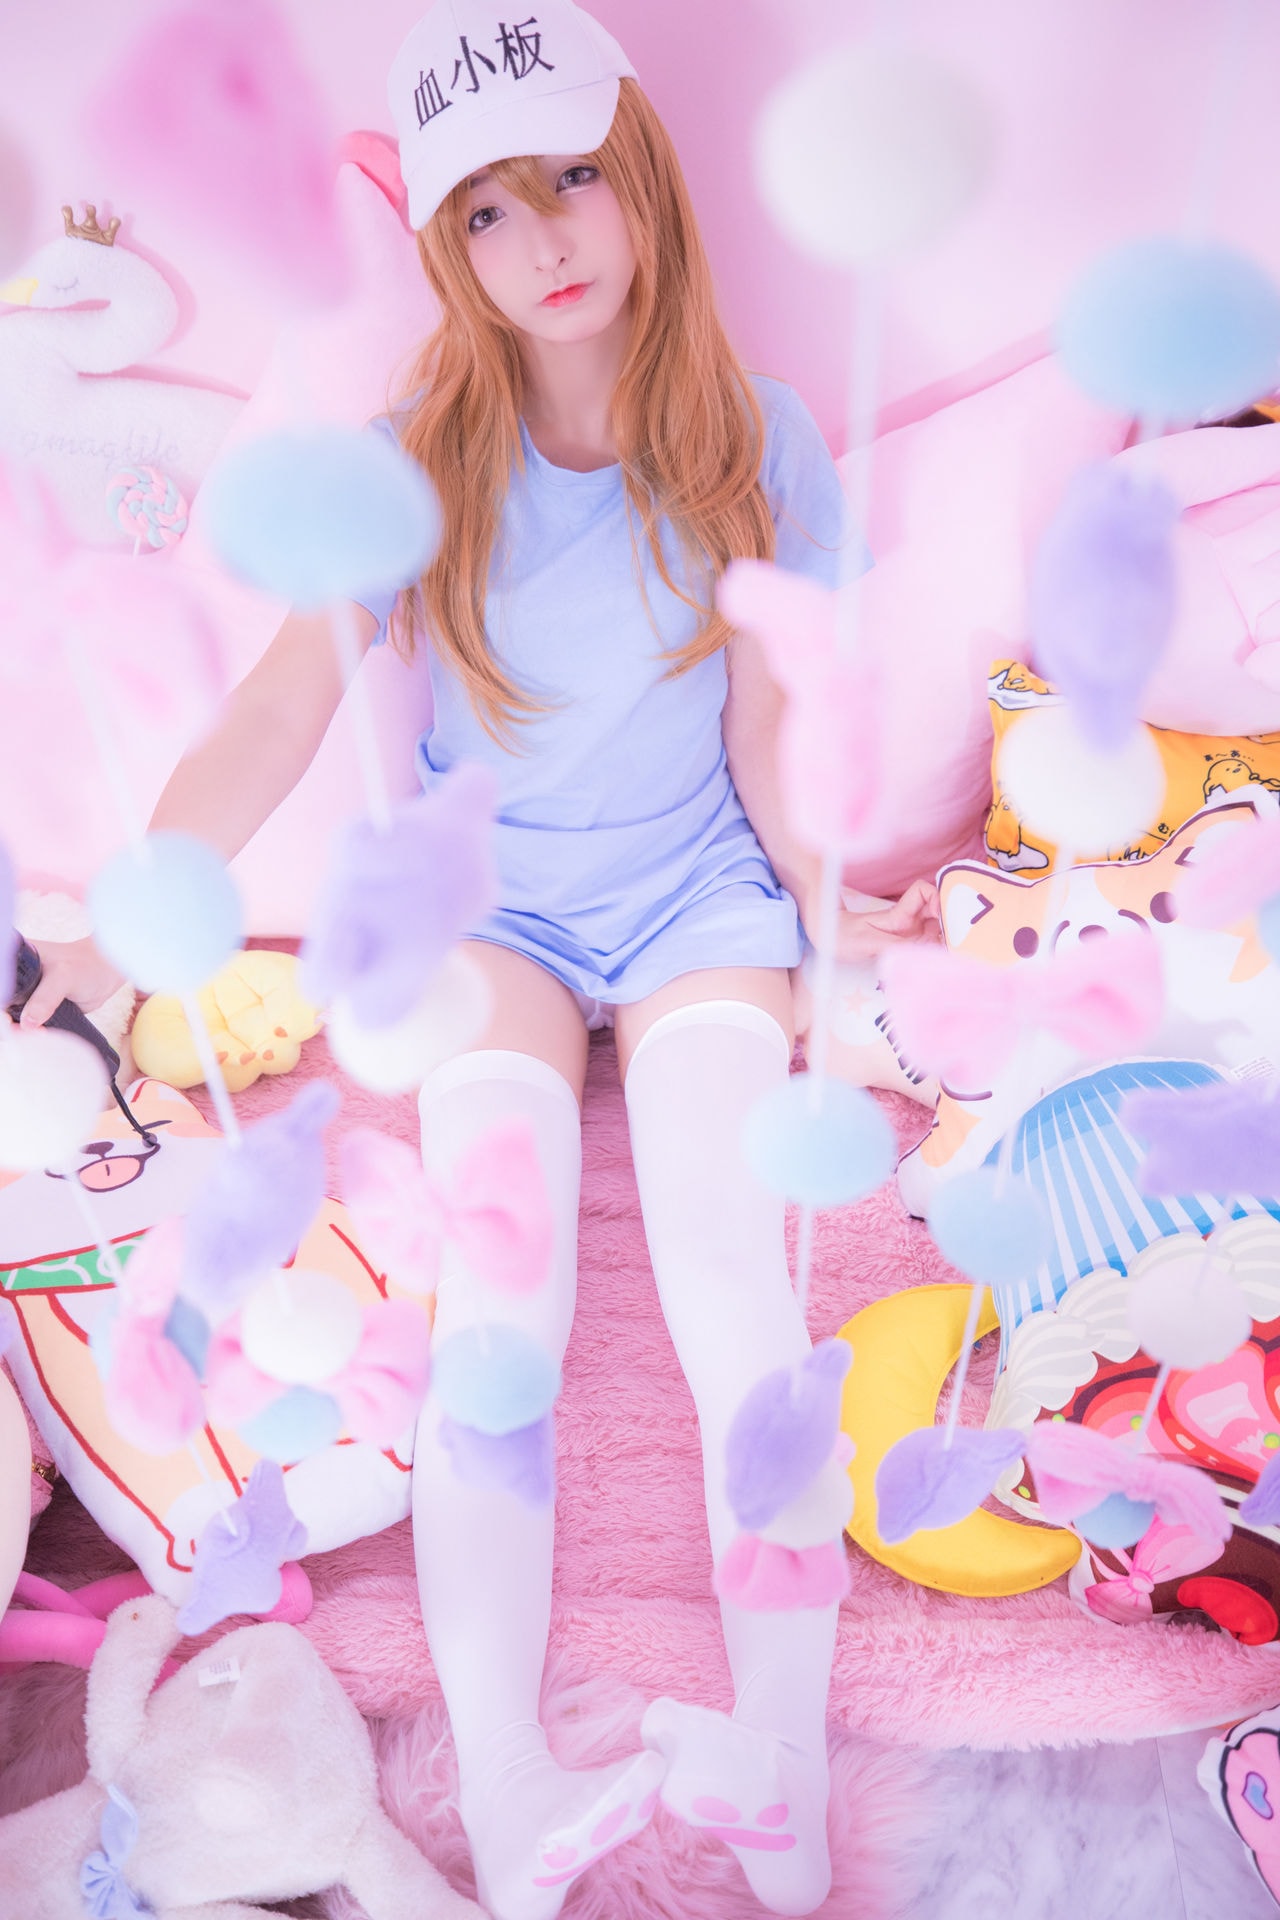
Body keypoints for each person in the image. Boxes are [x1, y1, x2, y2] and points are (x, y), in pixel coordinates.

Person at [27, 4, 939, 1915]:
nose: (546, 241)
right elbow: (282, 704)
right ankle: (511, 1783)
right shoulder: (419, 456)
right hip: (498, 915)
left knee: (729, 1280)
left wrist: (825, 919)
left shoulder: (756, 435)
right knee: (499, 1325)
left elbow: (771, 724)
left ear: (642, 170)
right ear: (449, 245)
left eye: (575, 178)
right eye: (492, 212)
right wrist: (139, 905)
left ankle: (781, 1761)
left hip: (698, 904)